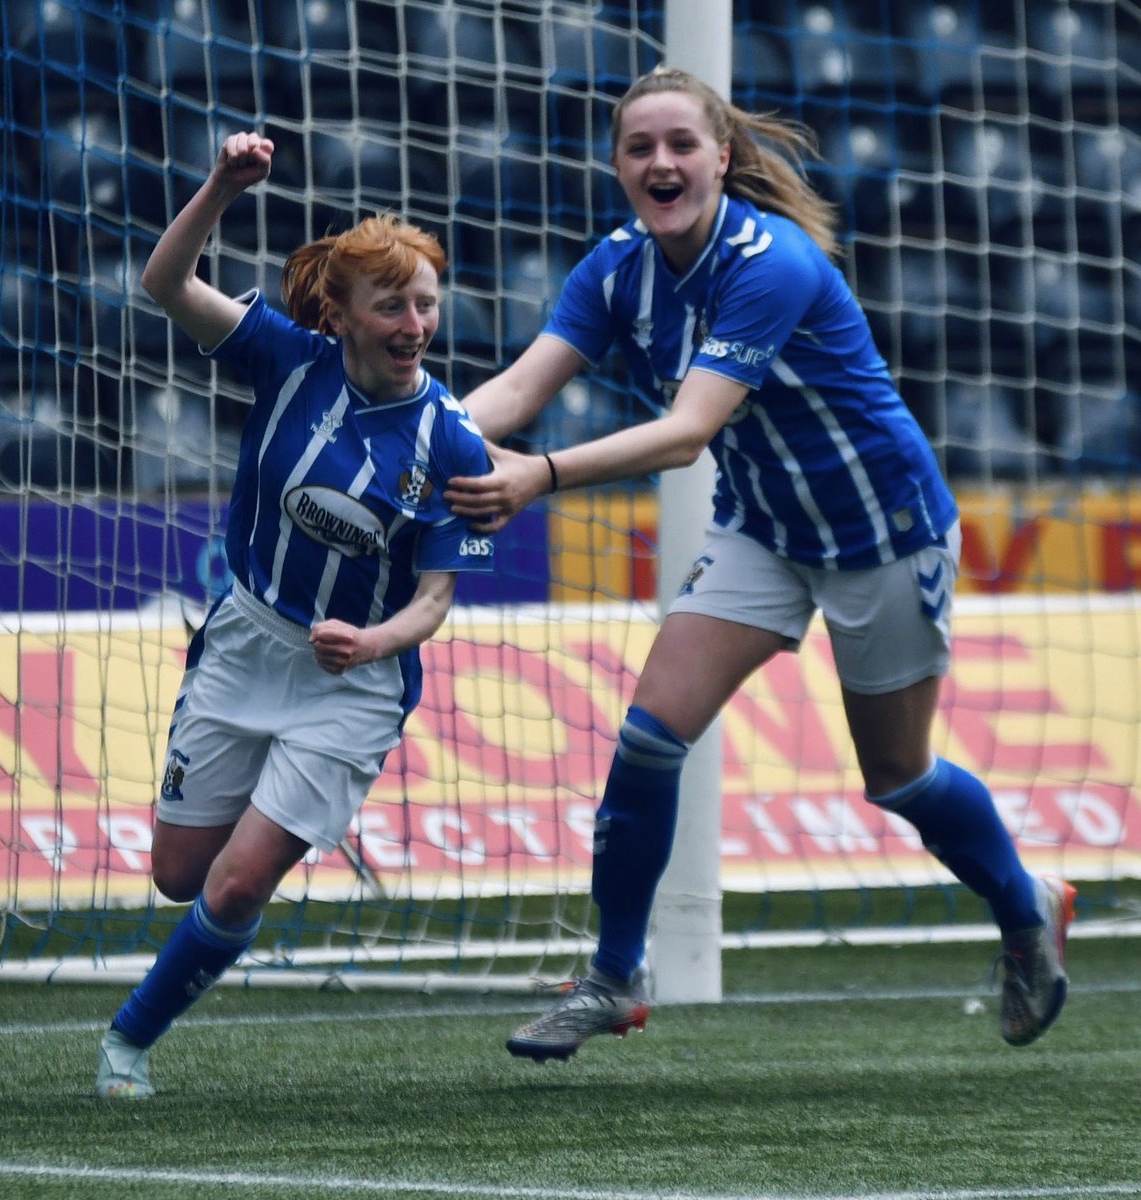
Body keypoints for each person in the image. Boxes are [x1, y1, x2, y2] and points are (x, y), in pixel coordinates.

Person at [444, 67, 1075, 1062]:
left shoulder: (770, 260)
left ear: (721, 157)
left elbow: (687, 432)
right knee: (649, 736)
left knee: (897, 776)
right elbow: (518, 391)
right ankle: (612, 978)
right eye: (640, 148)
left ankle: (1026, 903)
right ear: (617, 165)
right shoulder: (615, 269)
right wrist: (416, 434)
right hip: (764, 530)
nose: (661, 162)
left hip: (883, 532)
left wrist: (541, 475)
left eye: (681, 145)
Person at [96, 132, 495, 1098]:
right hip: (245, 642)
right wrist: (220, 186)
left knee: (237, 883)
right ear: (343, 314)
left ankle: (127, 1043)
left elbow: (436, 600)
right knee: (179, 874)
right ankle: (231, 852)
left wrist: (372, 641)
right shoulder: (288, 357)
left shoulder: (455, 442)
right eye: (392, 305)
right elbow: (164, 283)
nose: (414, 323)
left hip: (353, 683)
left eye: (426, 303)